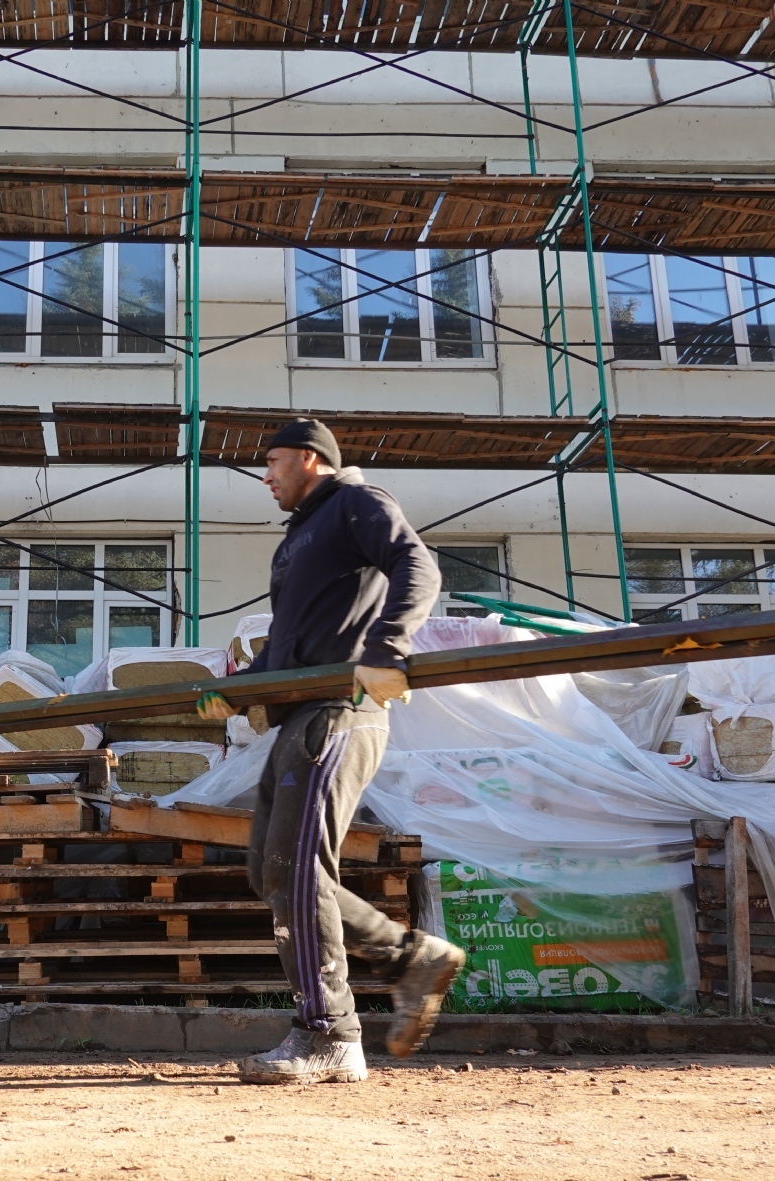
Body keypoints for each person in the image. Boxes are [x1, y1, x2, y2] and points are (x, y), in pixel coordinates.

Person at [195, 417, 463, 1084]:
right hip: (300, 718)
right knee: (271, 870)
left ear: (312, 459)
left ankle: (328, 1033)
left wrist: (387, 648)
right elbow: (295, 643)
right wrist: (239, 688)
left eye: (275, 462)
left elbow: (418, 565)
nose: (266, 476)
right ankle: (408, 958)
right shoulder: (300, 537)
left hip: (342, 712)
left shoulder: (356, 503)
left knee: (295, 867)